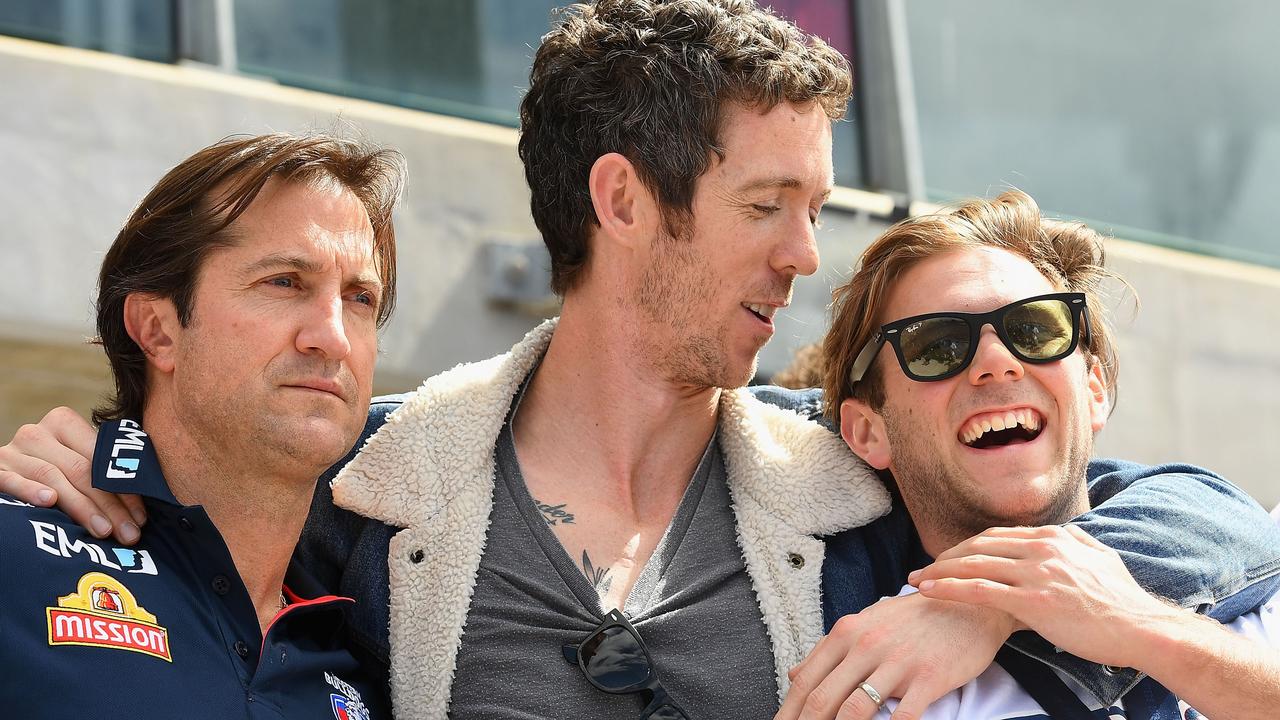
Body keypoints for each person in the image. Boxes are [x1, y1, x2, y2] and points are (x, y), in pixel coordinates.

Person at [3, 3, 1279, 719]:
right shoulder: (377, 483)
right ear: (623, 201)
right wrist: (94, 440)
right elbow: (203, 507)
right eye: (766, 205)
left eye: (813, 208)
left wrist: (983, 593)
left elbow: (1204, 520)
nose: (802, 255)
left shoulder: (847, 479)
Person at [814, 190, 1279, 718]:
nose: (996, 361)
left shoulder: (1259, 590)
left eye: (1035, 330)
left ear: (1095, 390)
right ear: (867, 431)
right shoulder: (871, 670)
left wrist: (1139, 624)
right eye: (937, 346)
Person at [0, 133, 400, 717]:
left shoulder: (372, 655)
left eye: (359, 298)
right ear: (159, 331)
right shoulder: (16, 547)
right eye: (284, 282)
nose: (334, 338)